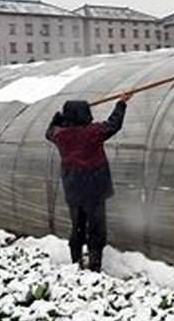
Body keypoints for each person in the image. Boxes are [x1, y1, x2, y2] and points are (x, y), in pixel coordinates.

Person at [45, 93, 131, 272]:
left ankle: (75, 261)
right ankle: (94, 265)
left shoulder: (61, 135)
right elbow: (114, 125)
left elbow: (49, 132)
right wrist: (121, 104)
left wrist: (57, 119)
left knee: (77, 227)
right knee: (96, 228)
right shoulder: (92, 132)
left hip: (74, 190)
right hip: (95, 189)